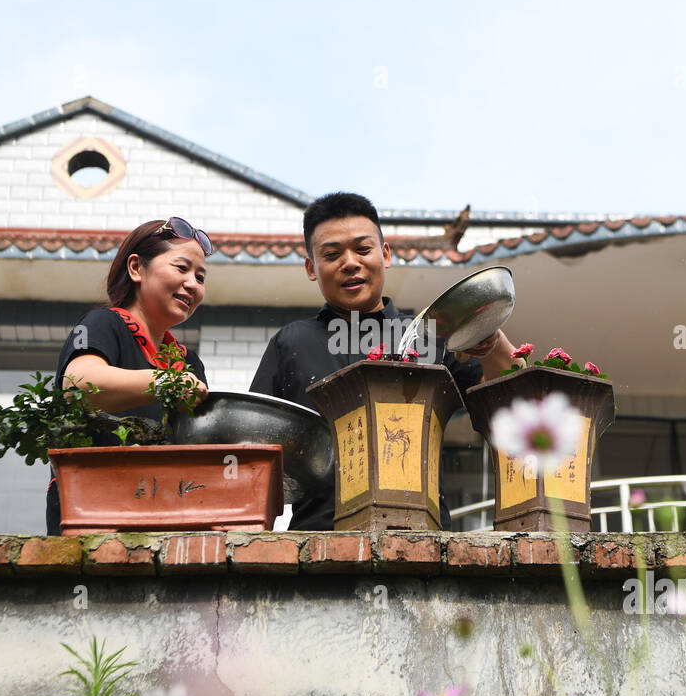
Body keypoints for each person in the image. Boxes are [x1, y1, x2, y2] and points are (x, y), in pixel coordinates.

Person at [250, 191, 519, 530]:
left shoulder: (431, 335)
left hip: (425, 537)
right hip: (317, 540)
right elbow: (255, 454)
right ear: (311, 268)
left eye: (363, 249)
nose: (350, 262)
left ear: (385, 254)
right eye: (332, 254)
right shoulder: (291, 343)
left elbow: (512, 402)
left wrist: (492, 339)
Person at [45, 217, 212, 535]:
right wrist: (167, 383)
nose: (193, 283)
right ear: (136, 268)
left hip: (167, 521)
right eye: (182, 268)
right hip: (93, 517)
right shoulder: (103, 324)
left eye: (200, 276)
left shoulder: (188, 361)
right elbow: (79, 385)